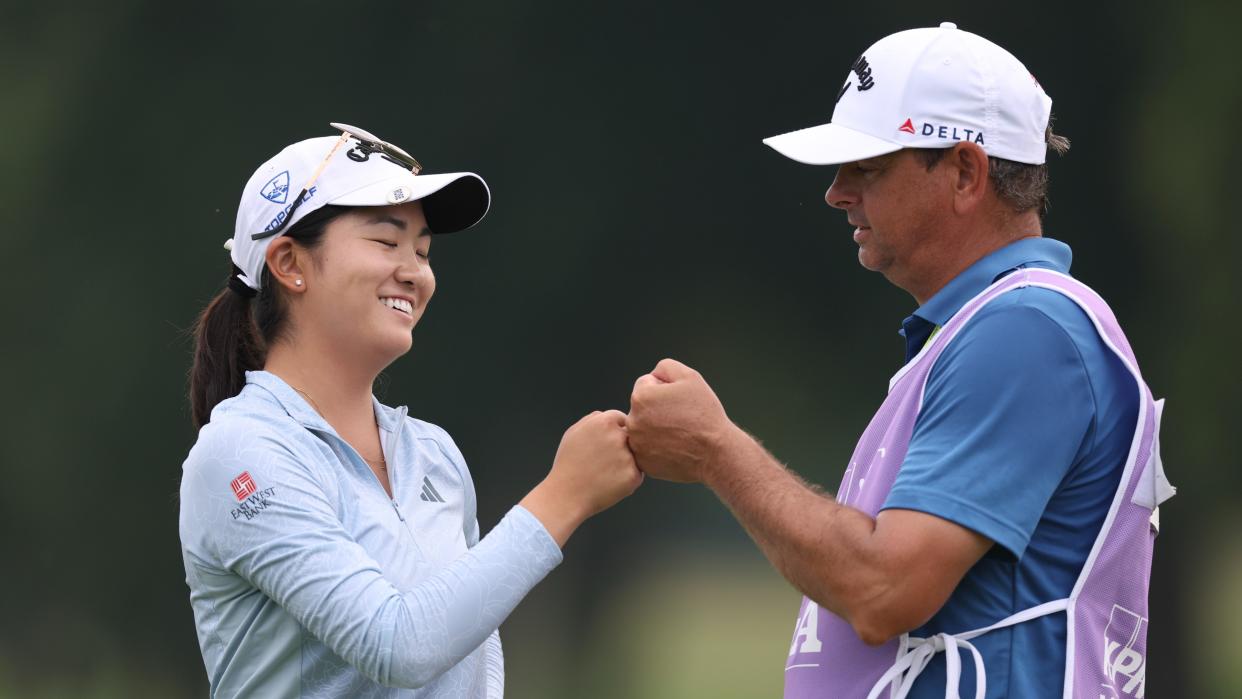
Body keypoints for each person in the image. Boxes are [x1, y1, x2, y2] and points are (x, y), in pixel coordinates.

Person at [625, 23, 1174, 699]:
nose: (837, 191)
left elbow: (885, 588)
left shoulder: (1027, 328)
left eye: (871, 167)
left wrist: (715, 449)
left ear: (967, 173)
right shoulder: (989, 332)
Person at [179, 123, 643, 698]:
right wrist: (565, 494)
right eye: (386, 242)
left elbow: (473, 667)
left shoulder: (435, 454)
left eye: (421, 251)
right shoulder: (240, 453)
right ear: (290, 263)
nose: (414, 271)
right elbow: (394, 644)